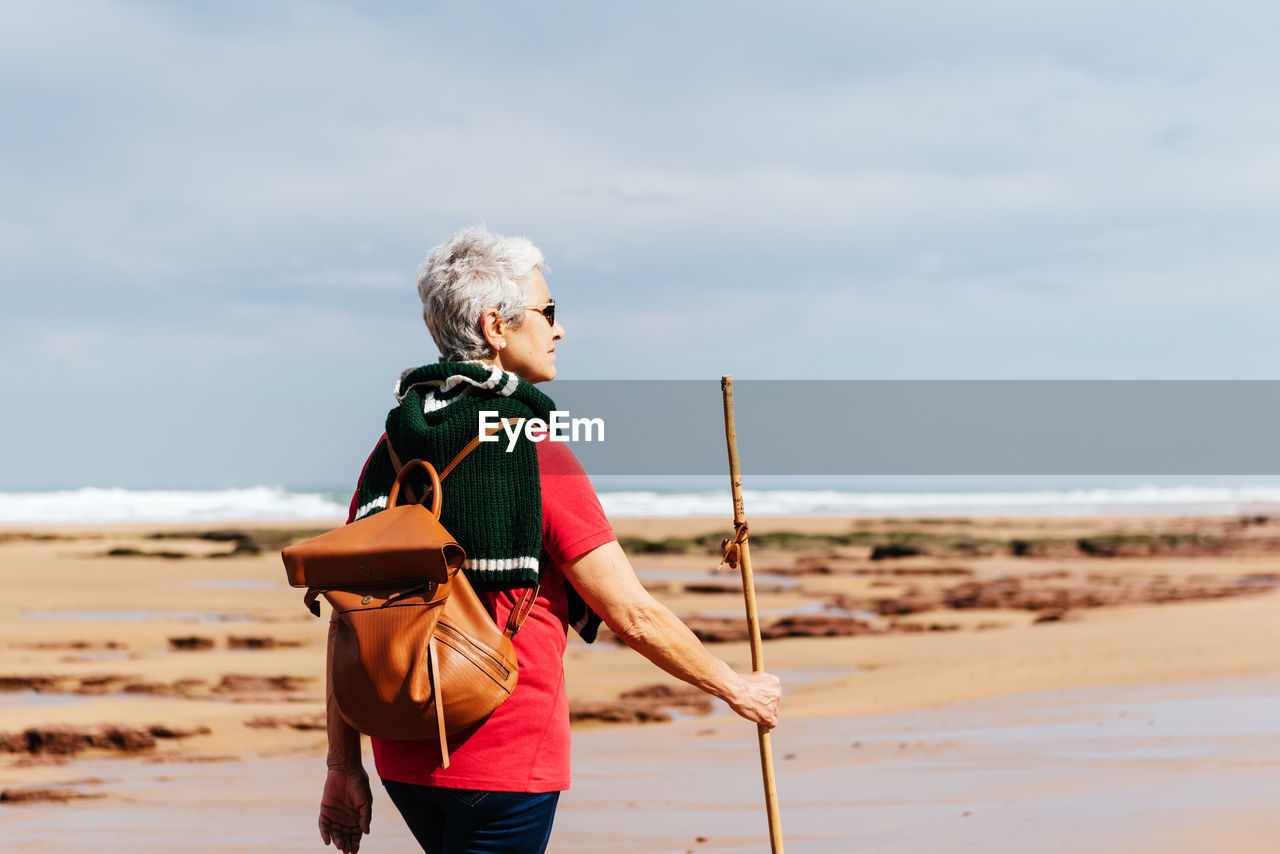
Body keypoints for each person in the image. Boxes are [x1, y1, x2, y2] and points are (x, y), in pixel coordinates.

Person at [318, 226, 782, 854]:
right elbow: (632, 613)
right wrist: (737, 688)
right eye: (549, 312)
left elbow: (350, 620)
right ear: (495, 328)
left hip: (400, 748)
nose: (559, 329)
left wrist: (343, 766)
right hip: (500, 748)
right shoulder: (532, 449)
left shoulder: (394, 447)